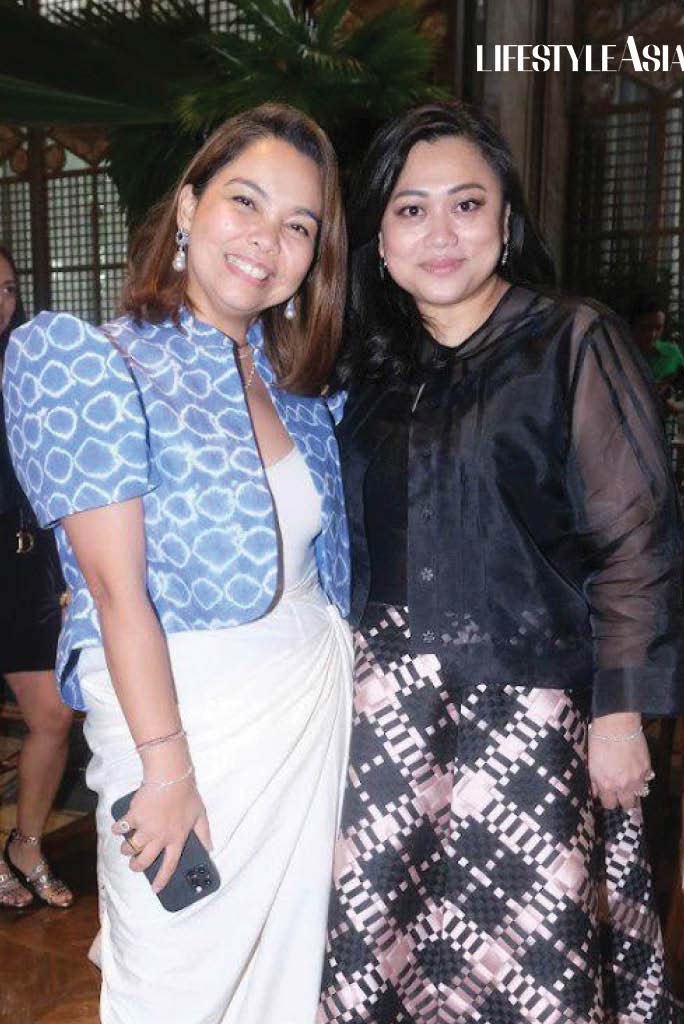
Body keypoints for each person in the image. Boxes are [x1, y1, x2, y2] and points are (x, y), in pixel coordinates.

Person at [318, 103, 684, 1024]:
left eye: (467, 204)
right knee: (387, 954)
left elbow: (637, 538)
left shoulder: (572, 340)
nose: (440, 234)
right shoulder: (367, 367)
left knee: (532, 964)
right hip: (385, 714)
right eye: (411, 210)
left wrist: (620, 715)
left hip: (534, 709)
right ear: (379, 239)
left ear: (506, 220)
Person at [3, 105, 353, 1023]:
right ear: (191, 206)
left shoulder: (302, 389)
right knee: (171, 986)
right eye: (246, 201)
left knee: (286, 983)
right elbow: (115, 595)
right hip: (182, 723)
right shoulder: (101, 365)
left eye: (299, 225)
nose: (268, 239)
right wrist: (165, 773)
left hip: (305, 713)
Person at [0, 245, 73, 910]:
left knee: (52, 713)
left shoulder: (27, 365)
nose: (0, 301)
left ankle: (25, 844)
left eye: (6, 288)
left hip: (23, 562)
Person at [630, 292, 684, 415]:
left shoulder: (672, 353)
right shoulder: (619, 352)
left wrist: (675, 407)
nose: (652, 335)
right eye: (645, 328)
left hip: (659, 425)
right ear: (633, 325)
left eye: (658, 328)